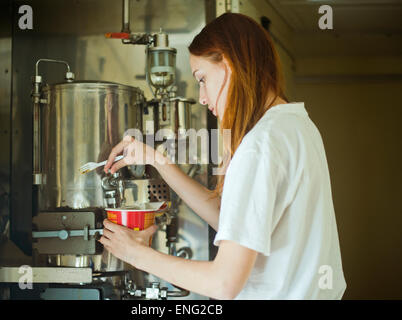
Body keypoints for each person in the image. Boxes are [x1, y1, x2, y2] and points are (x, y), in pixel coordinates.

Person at [99, 12, 347, 300]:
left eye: (202, 79)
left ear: (228, 65)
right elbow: (234, 219)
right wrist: (158, 160)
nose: (202, 97)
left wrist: (138, 254)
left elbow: (223, 283)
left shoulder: (259, 145)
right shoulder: (297, 126)